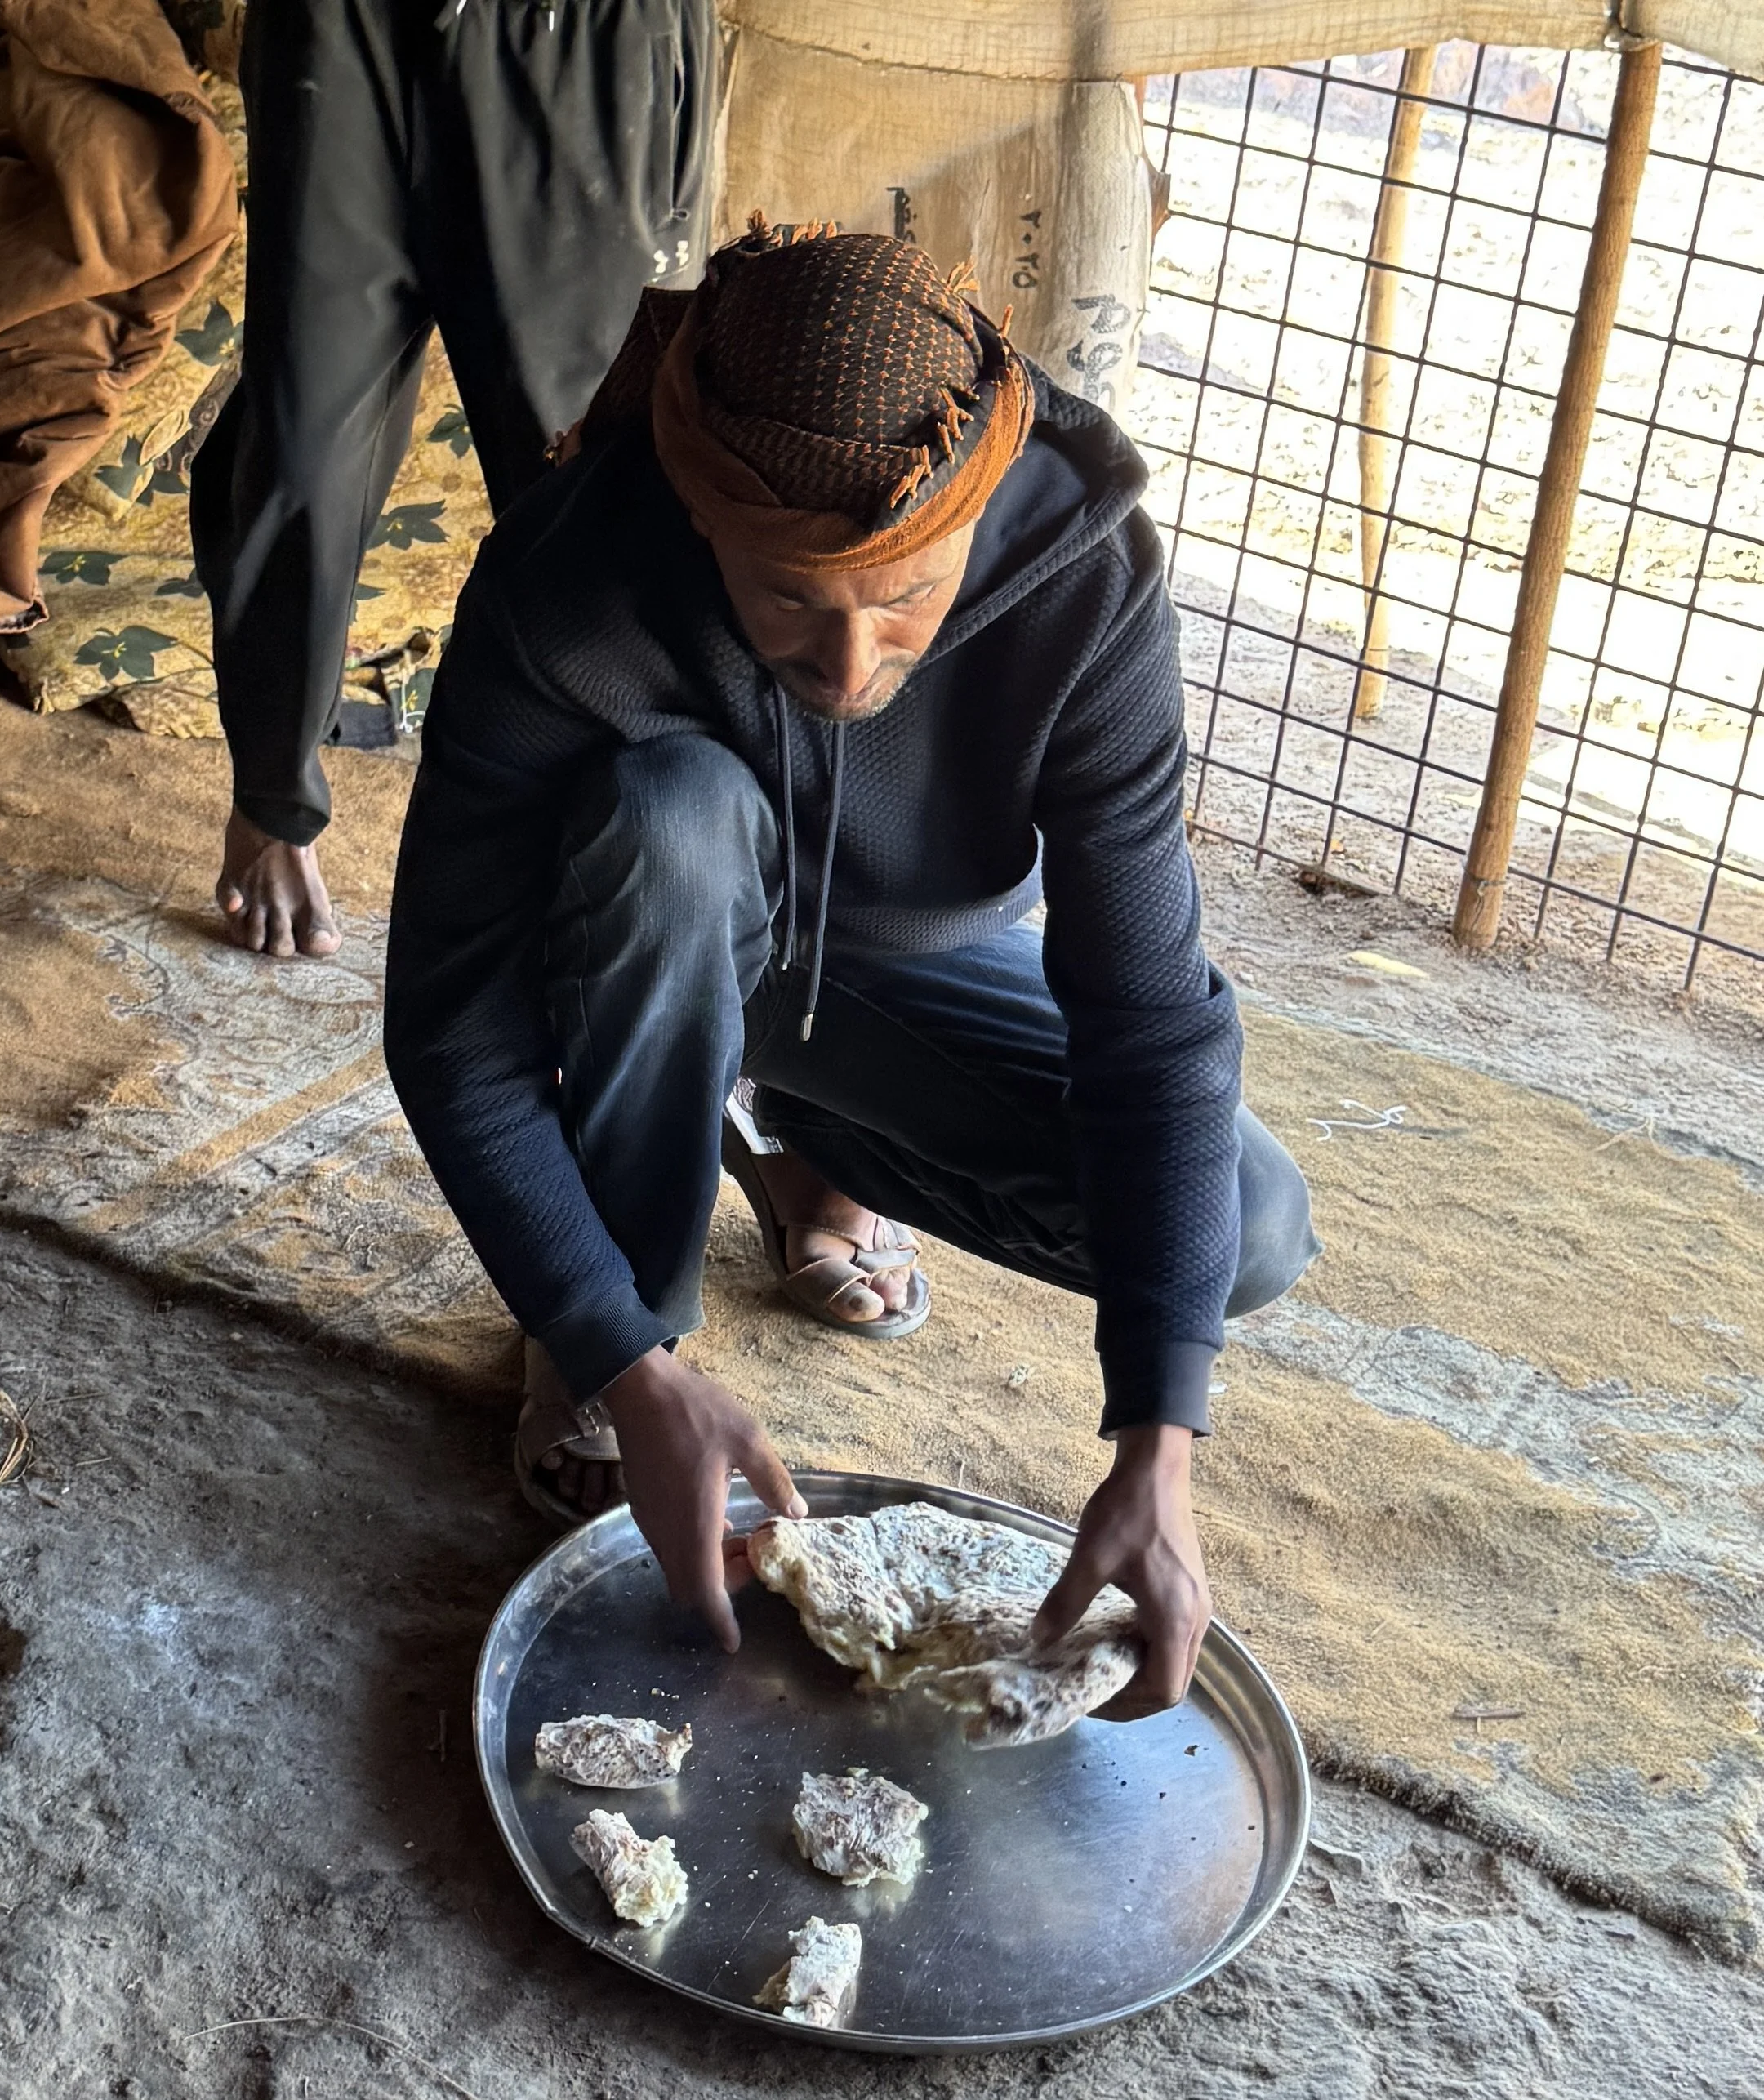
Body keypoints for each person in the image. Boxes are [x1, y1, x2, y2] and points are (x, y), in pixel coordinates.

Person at [383, 224, 1321, 1715]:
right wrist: (622, 1358)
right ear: (700, 520)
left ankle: (791, 1129)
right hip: (648, 935)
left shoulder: (1083, 562)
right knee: (670, 824)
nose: (847, 667)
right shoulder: (569, 585)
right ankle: (633, 1306)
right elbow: (455, 1033)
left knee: (1249, 1229)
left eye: (906, 597)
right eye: (788, 603)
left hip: (891, 964)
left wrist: (1160, 1443)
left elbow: (1147, 1024)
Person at [191, 0, 715, 958]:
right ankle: (273, 795)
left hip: (578, 34)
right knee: (300, 438)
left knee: (594, 472)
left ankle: (624, 889)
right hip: (341, 24)